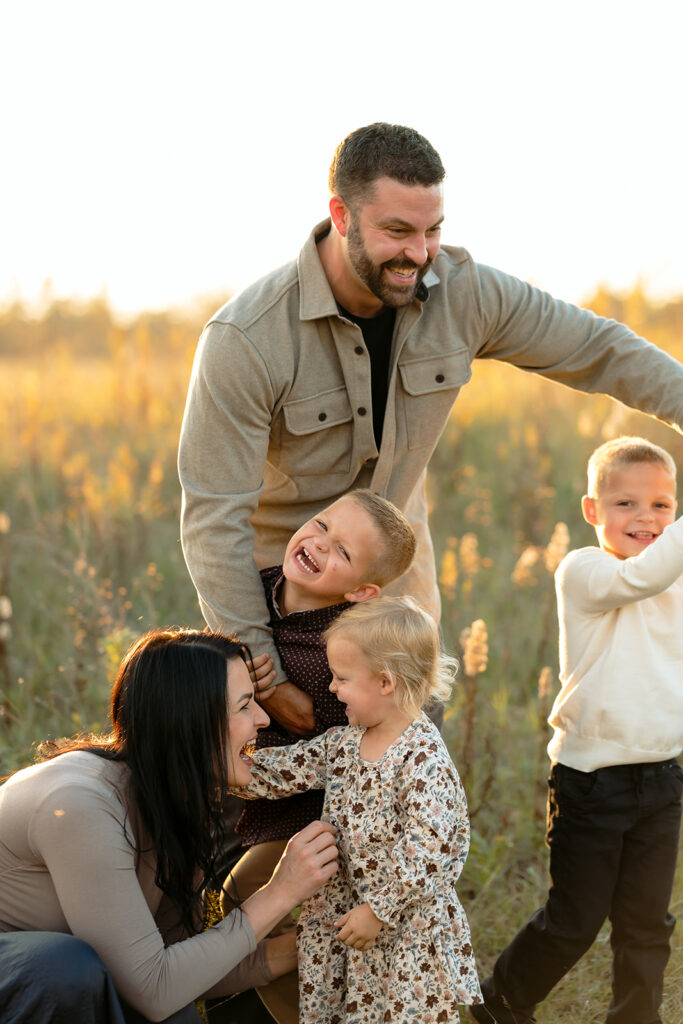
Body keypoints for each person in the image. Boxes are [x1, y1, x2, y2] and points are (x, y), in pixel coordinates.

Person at [178, 121, 683, 743]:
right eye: (397, 231)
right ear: (341, 214)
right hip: (285, 611)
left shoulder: (464, 292)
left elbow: (598, 348)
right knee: (261, 811)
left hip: (398, 607)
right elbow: (212, 517)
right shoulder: (247, 340)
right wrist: (265, 672)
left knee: (408, 802)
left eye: (432, 229)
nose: (419, 253)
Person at [0, 628, 339, 1024]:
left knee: (176, 1013)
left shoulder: (178, 796)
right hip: (37, 975)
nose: (262, 719)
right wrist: (279, 893)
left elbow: (178, 969)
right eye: (245, 706)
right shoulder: (79, 806)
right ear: (190, 721)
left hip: (78, 982)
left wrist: (308, 946)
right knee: (62, 969)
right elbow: (153, 989)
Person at [471, 436, 683, 1024]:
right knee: (575, 920)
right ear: (592, 510)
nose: (645, 517)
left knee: (648, 922)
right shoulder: (585, 570)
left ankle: (636, 1017)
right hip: (592, 783)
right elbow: (642, 578)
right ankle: (501, 1002)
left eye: (663, 505)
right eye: (626, 503)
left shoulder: (676, 577)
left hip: (662, 777)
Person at [231, 596, 483, 1023]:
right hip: (344, 912)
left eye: (341, 678)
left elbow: (433, 848)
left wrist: (379, 910)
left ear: (385, 682)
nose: (331, 688)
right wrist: (225, 768)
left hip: (402, 928)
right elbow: (286, 770)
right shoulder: (345, 743)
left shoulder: (422, 758)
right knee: (341, 1008)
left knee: (397, 1013)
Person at [224, 489, 415, 1023]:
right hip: (245, 799)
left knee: (254, 895)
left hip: (313, 812)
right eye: (321, 525)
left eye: (343, 552)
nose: (318, 544)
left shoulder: (349, 649)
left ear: (362, 591)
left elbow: (360, 739)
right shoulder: (253, 594)